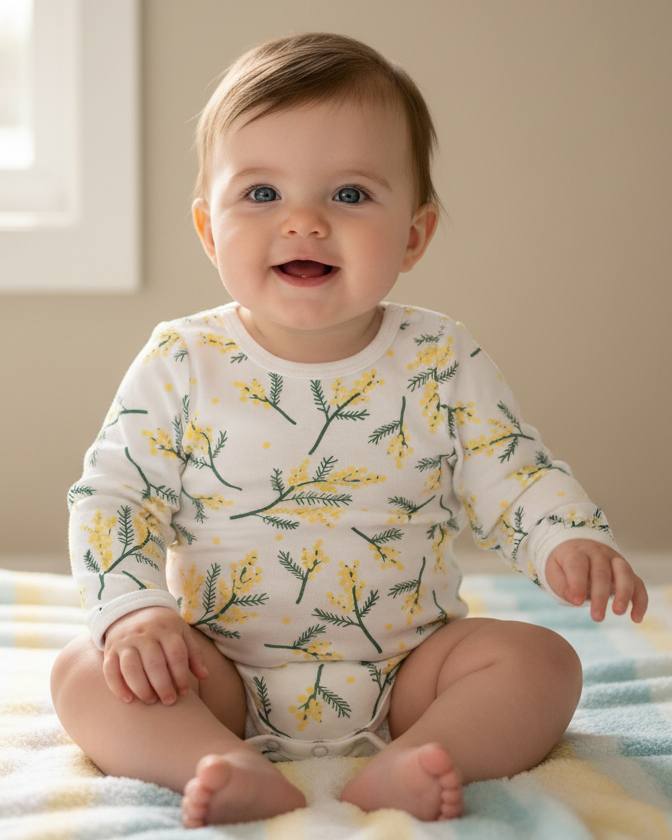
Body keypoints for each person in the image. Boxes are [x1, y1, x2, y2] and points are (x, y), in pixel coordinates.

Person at [51, 32, 648, 828]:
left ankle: (421, 757)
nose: (303, 223)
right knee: (87, 670)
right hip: (221, 671)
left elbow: (510, 469)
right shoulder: (182, 360)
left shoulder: (440, 356)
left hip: (411, 674)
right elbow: (115, 497)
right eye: (261, 194)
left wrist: (566, 537)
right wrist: (135, 612)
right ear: (208, 229)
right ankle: (211, 757)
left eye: (350, 195)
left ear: (413, 236)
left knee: (543, 662)